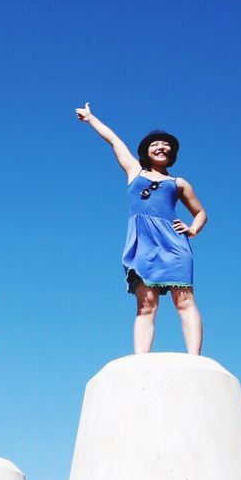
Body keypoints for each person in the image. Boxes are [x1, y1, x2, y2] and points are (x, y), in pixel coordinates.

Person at [75, 103, 206, 355]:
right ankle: (141, 361)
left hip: (174, 245)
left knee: (185, 301)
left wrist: (192, 229)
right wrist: (91, 118)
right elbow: (114, 140)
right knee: (146, 305)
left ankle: (195, 359)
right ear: (146, 151)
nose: (161, 147)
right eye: (155, 144)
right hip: (143, 245)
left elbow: (201, 212)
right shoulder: (135, 172)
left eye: (166, 145)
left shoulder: (178, 183)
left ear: (172, 153)